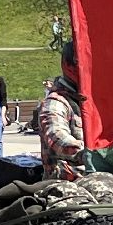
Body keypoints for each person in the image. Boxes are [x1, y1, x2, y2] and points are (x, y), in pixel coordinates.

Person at [39, 40, 86, 179]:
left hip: (100, 183)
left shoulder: (89, 102)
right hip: (66, 189)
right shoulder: (55, 103)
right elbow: (58, 139)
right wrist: (96, 154)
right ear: (69, 65)